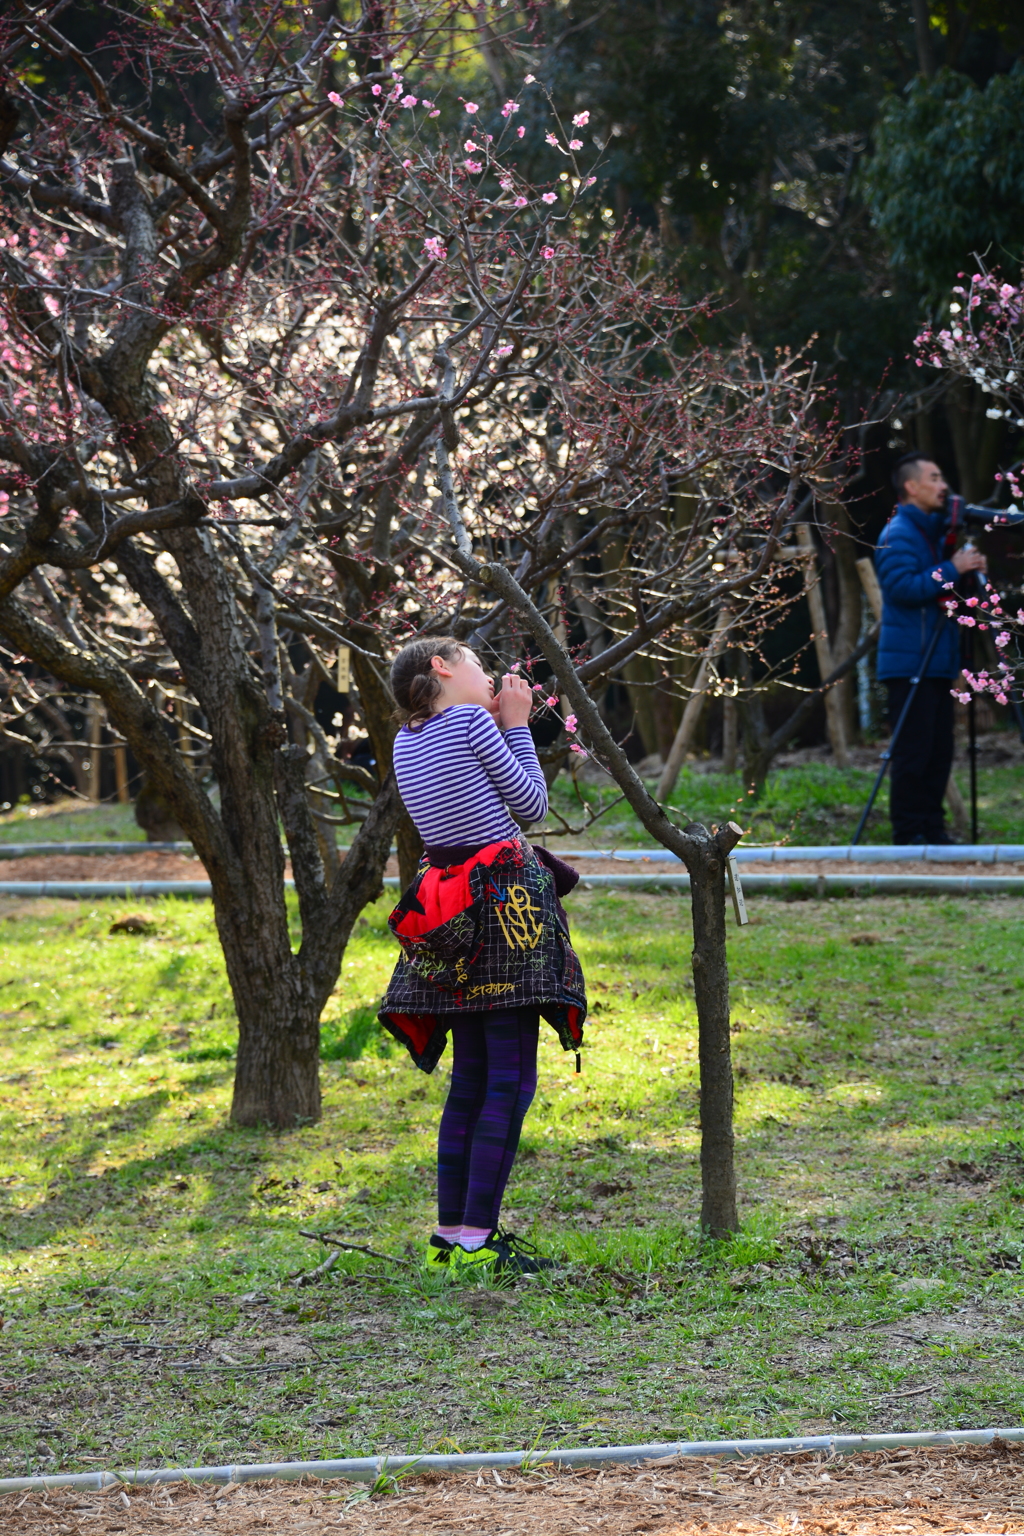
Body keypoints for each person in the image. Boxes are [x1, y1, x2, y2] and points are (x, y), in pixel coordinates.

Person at [378, 638, 587, 1272]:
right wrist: (518, 724)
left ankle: (451, 1235)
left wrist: (501, 724)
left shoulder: (405, 740)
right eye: (474, 663)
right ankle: (478, 1240)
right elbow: (529, 805)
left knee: (469, 1081)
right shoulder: (472, 721)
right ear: (442, 669)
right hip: (504, 915)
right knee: (510, 1080)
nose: (487, 675)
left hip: (449, 911)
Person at [874, 453, 986, 845]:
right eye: (935, 478)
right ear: (911, 486)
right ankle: (908, 836)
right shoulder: (898, 533)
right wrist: (953, 568)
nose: (944, 486)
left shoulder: (933, 533)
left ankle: (933, 832)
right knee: (913, 753)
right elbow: (903, 588)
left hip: (937, 661)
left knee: (940, 752)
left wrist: (963, 568)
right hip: (909, 663)